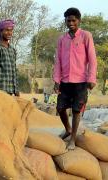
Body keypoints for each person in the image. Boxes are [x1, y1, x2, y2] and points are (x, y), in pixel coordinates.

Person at [53, 7, 97, 150]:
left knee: (77, 110)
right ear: (65, 21)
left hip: (81, 81)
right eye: (68, 20)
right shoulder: (62, 39)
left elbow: (92, 58)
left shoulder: (86, 36)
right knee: (60, 108)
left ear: (79, 21)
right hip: (65, 81)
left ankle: (72, 139)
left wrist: (91, 78)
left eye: (74, 20)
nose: (71, 23)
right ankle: (68, 129)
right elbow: (58, 60)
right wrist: (56, 80)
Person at [0, 19, 19, 96]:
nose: (9, 33)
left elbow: (14, 71)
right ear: (0, 31)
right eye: (6, 30)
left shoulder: (12, 49)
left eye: (11, 30)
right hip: (0, 89)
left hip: (11, 90)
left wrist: (17, 90)